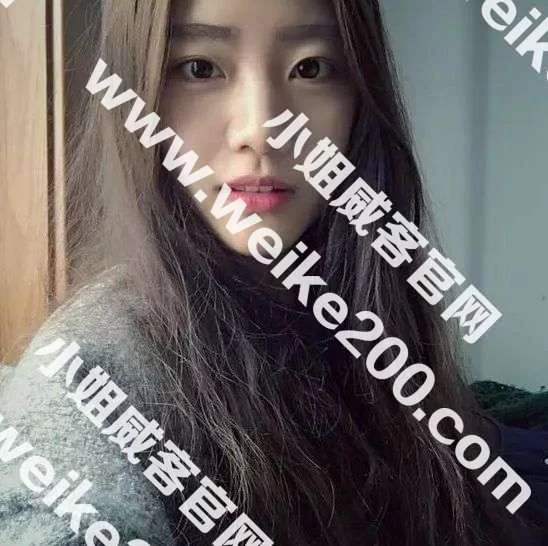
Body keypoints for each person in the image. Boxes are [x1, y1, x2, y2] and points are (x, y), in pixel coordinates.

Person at [0, 0, 546, 544]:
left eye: (311, 67)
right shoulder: (92, 368)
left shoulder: (372, 306)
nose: (262, 130)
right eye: (199, 68)